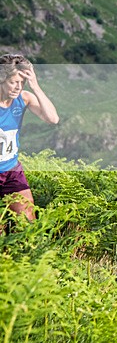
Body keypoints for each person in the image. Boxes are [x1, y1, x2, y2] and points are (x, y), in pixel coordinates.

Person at [0, 54, 59, 222]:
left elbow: (52, 119)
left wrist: (35, 86)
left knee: (28, 221)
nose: (18, 87)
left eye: (22, 82)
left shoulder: (23, 98)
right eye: (13, 82)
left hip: (12, 170)